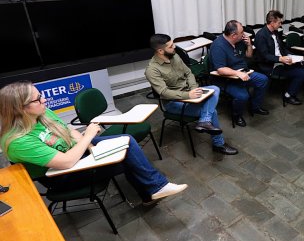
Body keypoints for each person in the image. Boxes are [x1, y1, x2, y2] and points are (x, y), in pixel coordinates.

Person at [0, 81, 187, 205]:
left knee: (126, 142)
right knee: (126, 158)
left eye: (41, 95)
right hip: (61, 176)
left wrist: (89, 145)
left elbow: (68, 130)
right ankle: (152, 192)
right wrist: (88, 137)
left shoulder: (41, 112)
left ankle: (154, 189)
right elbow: (66, 162)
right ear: (20, 109)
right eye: (38, 99)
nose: (44, 99)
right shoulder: (18, 141)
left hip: (77, 151)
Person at [145, 34, 238, 155]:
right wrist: (188, 95)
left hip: (190, 92)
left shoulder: (174, 55)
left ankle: (204, 121)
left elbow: (188, 73)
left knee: (215, 89)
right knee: (213, 112)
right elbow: (164, 93)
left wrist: (194, 89)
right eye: (171, 46)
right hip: (173, 103)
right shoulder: (152, 70)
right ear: (160, 51)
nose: (175, 47)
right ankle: (218, 144)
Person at [255, 10, 304, 106]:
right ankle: (288, 96)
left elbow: (283, 48)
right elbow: (265, 56)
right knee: (301, 73)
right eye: (279, 22)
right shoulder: (261, 35)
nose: (280, 25)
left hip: (282, 60)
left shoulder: (275, 32)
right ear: (272, 22)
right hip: (271, 66)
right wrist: (281, 59)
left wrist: (296, 57)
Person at [210, 20, 270, 127]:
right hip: (226, 79)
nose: (244, 34)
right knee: (243, 96)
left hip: (243, 72)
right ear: (233, 35)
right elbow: (221, 69)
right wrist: (237, 73)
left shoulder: (239, 41)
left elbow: (249, 55)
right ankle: (237, 116)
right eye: (242, 32)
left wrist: (249, 45)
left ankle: (255, 107)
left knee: (263, 79)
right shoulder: (218, 46)